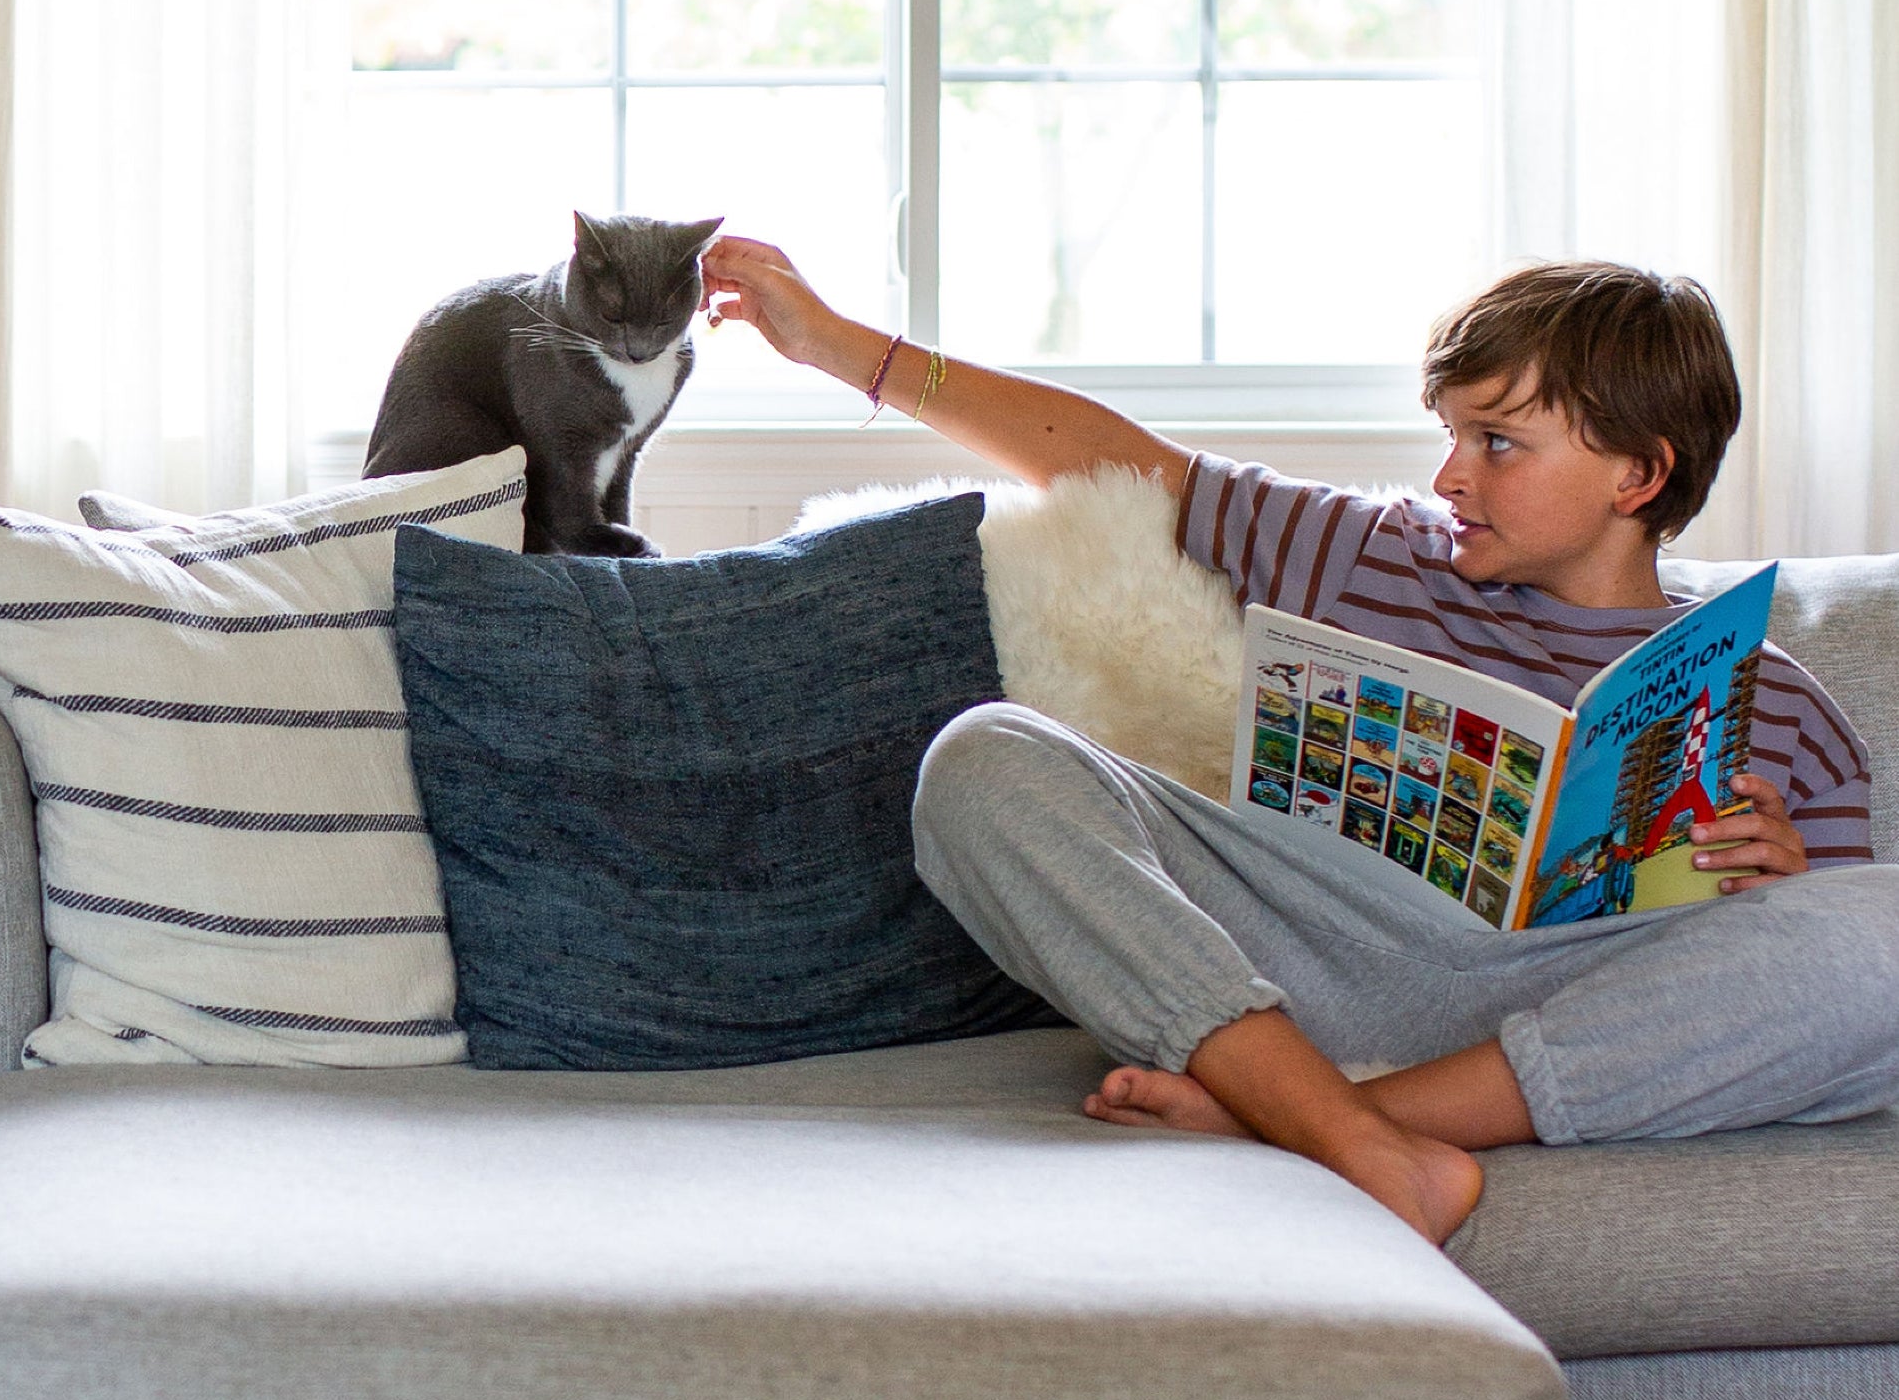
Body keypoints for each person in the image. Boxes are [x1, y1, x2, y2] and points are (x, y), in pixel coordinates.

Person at [699, 237, 1897, 1244]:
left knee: (1878, 931)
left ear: (1637, 474)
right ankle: (1343, 1121)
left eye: (1497, 443)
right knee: (984, 758)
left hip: (1565, 995)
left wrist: (1769, 890)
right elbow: (1103, 460)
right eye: (1450, 434)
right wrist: (839, 344)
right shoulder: (1376, 549)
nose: (1450, 475)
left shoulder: (1780, 707)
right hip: (1310, 951)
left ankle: (1334, 1120)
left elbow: (1807, 1013)